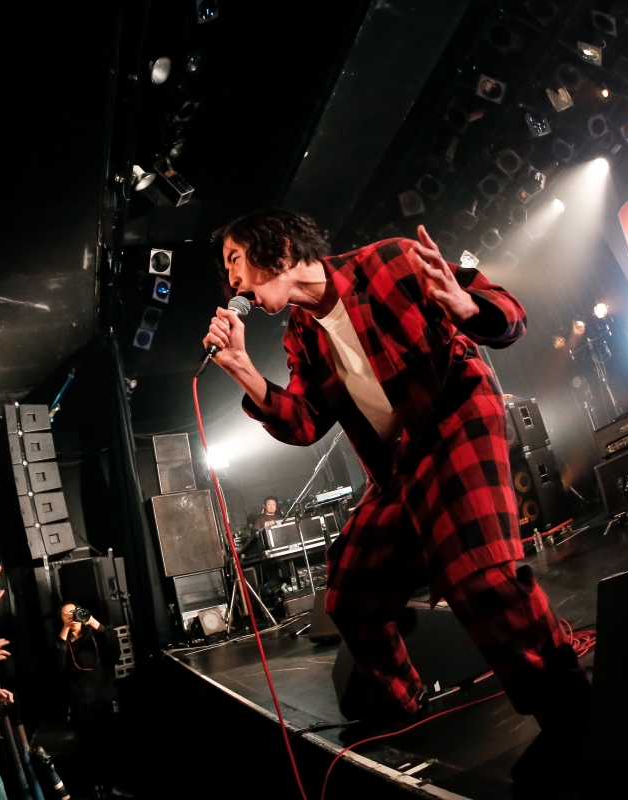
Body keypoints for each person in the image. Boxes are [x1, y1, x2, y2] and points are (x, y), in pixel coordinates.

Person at [201, 209, 589, 784]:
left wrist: (466, 307)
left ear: (278, 246)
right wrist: (242, 370)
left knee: (478, 574)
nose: (232, 281)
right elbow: (305, 422)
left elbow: (509, 311)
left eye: (236, 259)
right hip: (401, 464)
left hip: (456, 416)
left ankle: (572, 715)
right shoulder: (301, 333)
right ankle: (401, 702)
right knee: (350, 594)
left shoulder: (388, 261)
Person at [56, 603, 120, 794]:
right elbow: (57, 664)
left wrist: (91, 621)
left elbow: (114, 647)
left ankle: (113, 784)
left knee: (111, 743)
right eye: (66, 613)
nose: (72, 616)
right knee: (89, 746)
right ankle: (97, 786)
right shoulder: (64, 641)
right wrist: (66, 628)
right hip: (81, 701)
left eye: (75, 612)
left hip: (103, 695)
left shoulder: (93, 636)